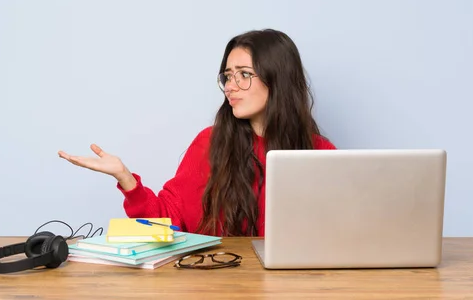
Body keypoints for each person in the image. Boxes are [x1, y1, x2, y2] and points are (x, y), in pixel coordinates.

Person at [58, 29, 336, 237]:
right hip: (222, 283)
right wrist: (126, 179)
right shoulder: (211, 143)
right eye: (227, 76)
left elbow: (342, 230)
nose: (230, 86)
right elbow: (165, 222)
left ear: (278, 79)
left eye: (243, 74)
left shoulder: (321, 153)